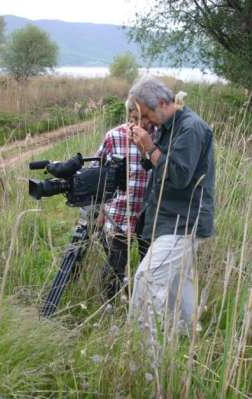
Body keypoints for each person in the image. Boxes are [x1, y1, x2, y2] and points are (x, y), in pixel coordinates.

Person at [126, 76, 215, 334]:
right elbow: (158, 166)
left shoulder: (190, 128)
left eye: (147, 114)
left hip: (183, 221)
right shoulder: (168, 127)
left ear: (163, 103)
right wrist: (147, 149)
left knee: (146, 279)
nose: (146, 122)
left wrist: (149, 146)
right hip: (171, 219)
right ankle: (187, 341)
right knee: (179, 285)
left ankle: (144, 357)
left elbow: (178, 176)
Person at [94, 106, 156, 300]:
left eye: (145, 118)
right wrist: (101, 212)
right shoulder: (114, 136)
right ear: (129, 114)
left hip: (150, 214)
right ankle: (109, 306)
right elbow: (98, 172)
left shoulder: (161, 137)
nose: (140, 124)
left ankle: (144, 303)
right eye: (135, 118)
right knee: (115, 264)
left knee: (150, 263)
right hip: (119, 213)